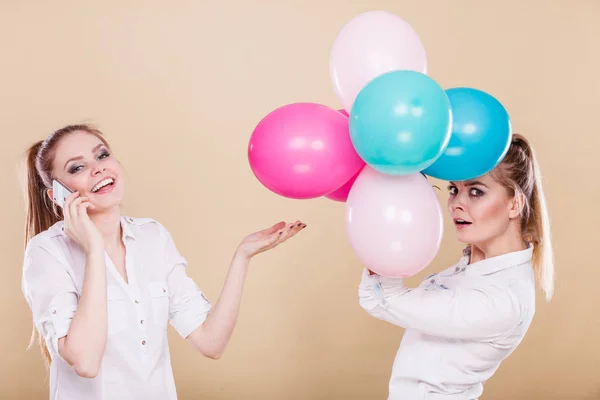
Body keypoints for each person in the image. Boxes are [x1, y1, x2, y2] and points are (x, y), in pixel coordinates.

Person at [21, 124, 306, 400]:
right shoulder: (46, 253)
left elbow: (211, 342)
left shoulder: (152, 237)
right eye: (77, 167)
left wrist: (242, 256)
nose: (98, 168)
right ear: (58, 196)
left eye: (102, 155)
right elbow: (86, 362)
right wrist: (94, 249)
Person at [358, 134, 554, 399]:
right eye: (453, 189)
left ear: (515, 204)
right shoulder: (473, 267)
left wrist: (389, 216)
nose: (456, 204)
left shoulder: (501, 300)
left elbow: (378, 298)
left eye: (476, 192)